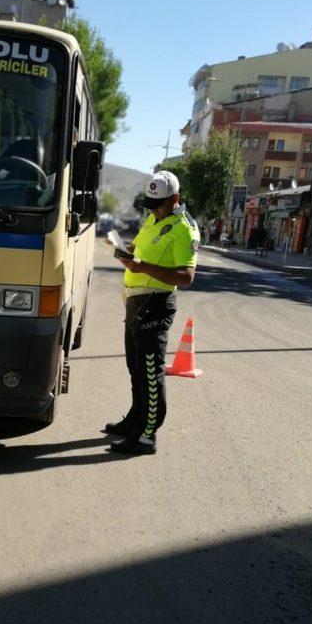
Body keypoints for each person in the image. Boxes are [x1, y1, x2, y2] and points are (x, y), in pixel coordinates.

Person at [105, 170, 199, 455]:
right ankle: (136, 419)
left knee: (150, 372)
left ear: (175, 199)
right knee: (135, 369)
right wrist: (123, 249)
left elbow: (186, 276)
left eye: (159, 204)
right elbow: (138, 249)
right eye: (151, 204)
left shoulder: (184, 228)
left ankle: (147, 436)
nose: (154, 210)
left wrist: (142, 266)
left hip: (156, 304)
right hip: (134, 302)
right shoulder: (152, 219)